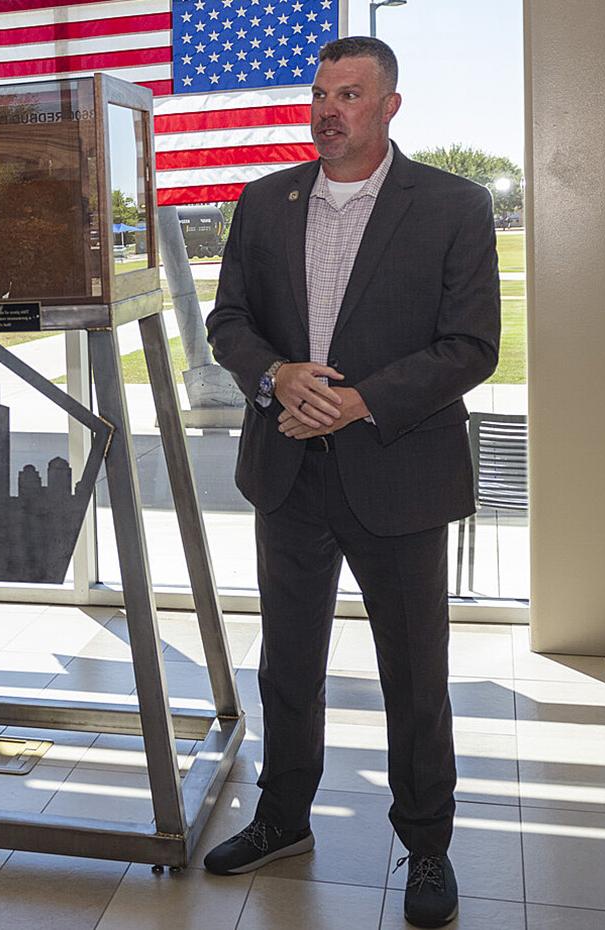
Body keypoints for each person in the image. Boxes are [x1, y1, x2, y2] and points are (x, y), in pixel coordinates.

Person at [201, 37, 499, 930]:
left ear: (390, 107)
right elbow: (230, 321)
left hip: (398, 476)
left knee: (414, 673)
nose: (330, 110)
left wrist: (359, 400)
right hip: (288, 471)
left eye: (351, 95)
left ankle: (428, 843)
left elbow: (470, 345)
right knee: (288, 662)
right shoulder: (263, 203)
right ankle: (284, 818)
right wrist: (276, 377)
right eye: (321, 94)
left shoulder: (452, 205)